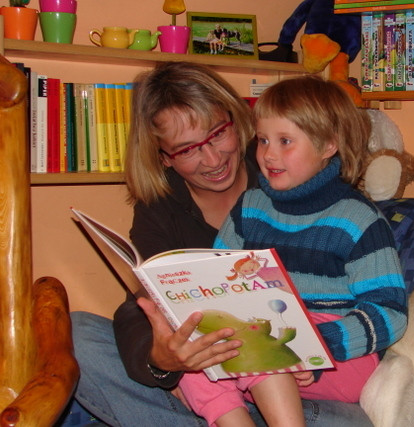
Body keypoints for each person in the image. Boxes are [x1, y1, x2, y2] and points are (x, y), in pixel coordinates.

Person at [68, 62, 375, 426]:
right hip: (217, 382)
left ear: (236, 119)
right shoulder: (160, 209)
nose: (212, 160)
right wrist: (163, 361)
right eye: (186, 150)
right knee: (77, 335)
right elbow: (142, 305)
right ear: (163, 156)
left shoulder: (285, 166)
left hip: (300, 381)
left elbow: (361, 285)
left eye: (216, 134)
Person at [177, 75, 408, 426]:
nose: (268, 154)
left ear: (328, 145)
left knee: (260, 346)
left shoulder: (358, 219)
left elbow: (391, 313)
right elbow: (218, 282)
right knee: (192, 357)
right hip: (263, 334)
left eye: (285, 141)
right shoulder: (250, 206)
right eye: (264, 140)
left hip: (339, 356)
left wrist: (319, 344)